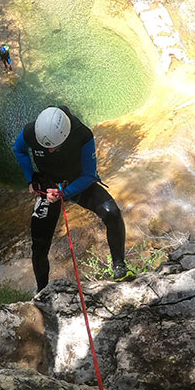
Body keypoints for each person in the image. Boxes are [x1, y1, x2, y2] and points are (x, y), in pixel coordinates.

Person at [13, 105, 133, 292]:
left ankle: (120, 267)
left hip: (77, 181)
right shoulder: (31, 131)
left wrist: (64, 193)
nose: (49, 151)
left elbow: (89, 175)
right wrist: (31, 179)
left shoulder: (82, 135)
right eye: (45, 147)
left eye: (53, 146)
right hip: (49, 185)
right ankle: (42, 291)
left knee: (112, 213)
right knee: (39, 244)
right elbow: (19, 149)